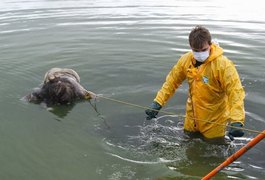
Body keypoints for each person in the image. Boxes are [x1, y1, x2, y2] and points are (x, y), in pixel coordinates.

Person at [145, 26, 245, 141]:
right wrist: (157, 103)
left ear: (210, 44)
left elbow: (235, 92)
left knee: (213, 148)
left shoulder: (223, 65)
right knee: (189, 145)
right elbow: (171, 82)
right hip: (191, 118)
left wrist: (237, 120)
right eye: (196, 51)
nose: (200, 54)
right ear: (191, 47)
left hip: (215, 121)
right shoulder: (185, 60)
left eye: (203, 50)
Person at [24, 68, 96, 106]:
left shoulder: (79, 90)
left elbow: (92, 96)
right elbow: (29, 97)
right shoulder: (46, 88)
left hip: (70, 75)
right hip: (59, 74)